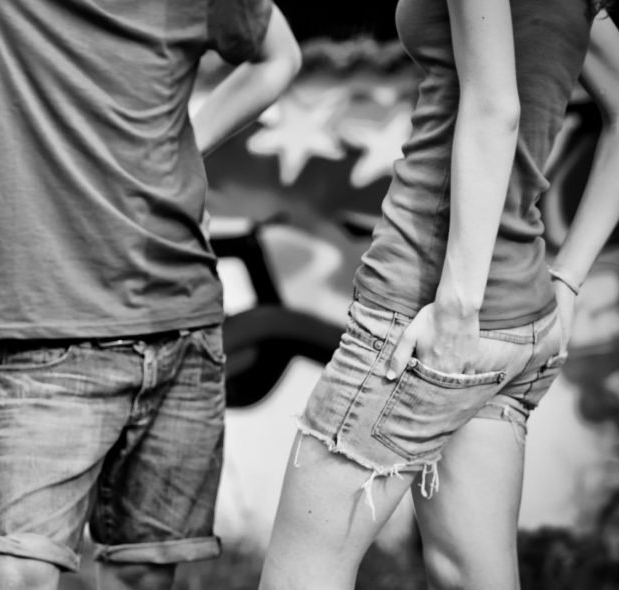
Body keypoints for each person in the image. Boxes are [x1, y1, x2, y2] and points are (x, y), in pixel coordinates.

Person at [0, 1, 299, 588]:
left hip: (182, 331)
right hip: (44, 344)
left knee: (144, 576)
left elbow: (278, 56)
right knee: (18, 574)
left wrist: (186, 148)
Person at [260, 2, 619, 589]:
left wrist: (458, 308)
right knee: (472, 575)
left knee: (301, 575)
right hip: (521, 318)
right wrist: (568, 280)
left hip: (426, 314)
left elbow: (496, 107)